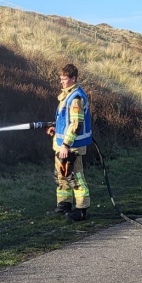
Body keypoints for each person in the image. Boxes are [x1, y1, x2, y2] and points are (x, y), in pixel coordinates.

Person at [46, 64, 92, 221]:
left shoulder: (76, 98)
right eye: (60, 79)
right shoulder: (66, 95)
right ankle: (64, 205)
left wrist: (66, 145)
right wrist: (54, 128)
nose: (62, 82)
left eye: (65, 79)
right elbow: (65, 120)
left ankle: (81, 209)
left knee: (75, 177)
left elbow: (76, 124)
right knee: (61, 176)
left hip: (72, 147)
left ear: (73, 78)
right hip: (61, 144)